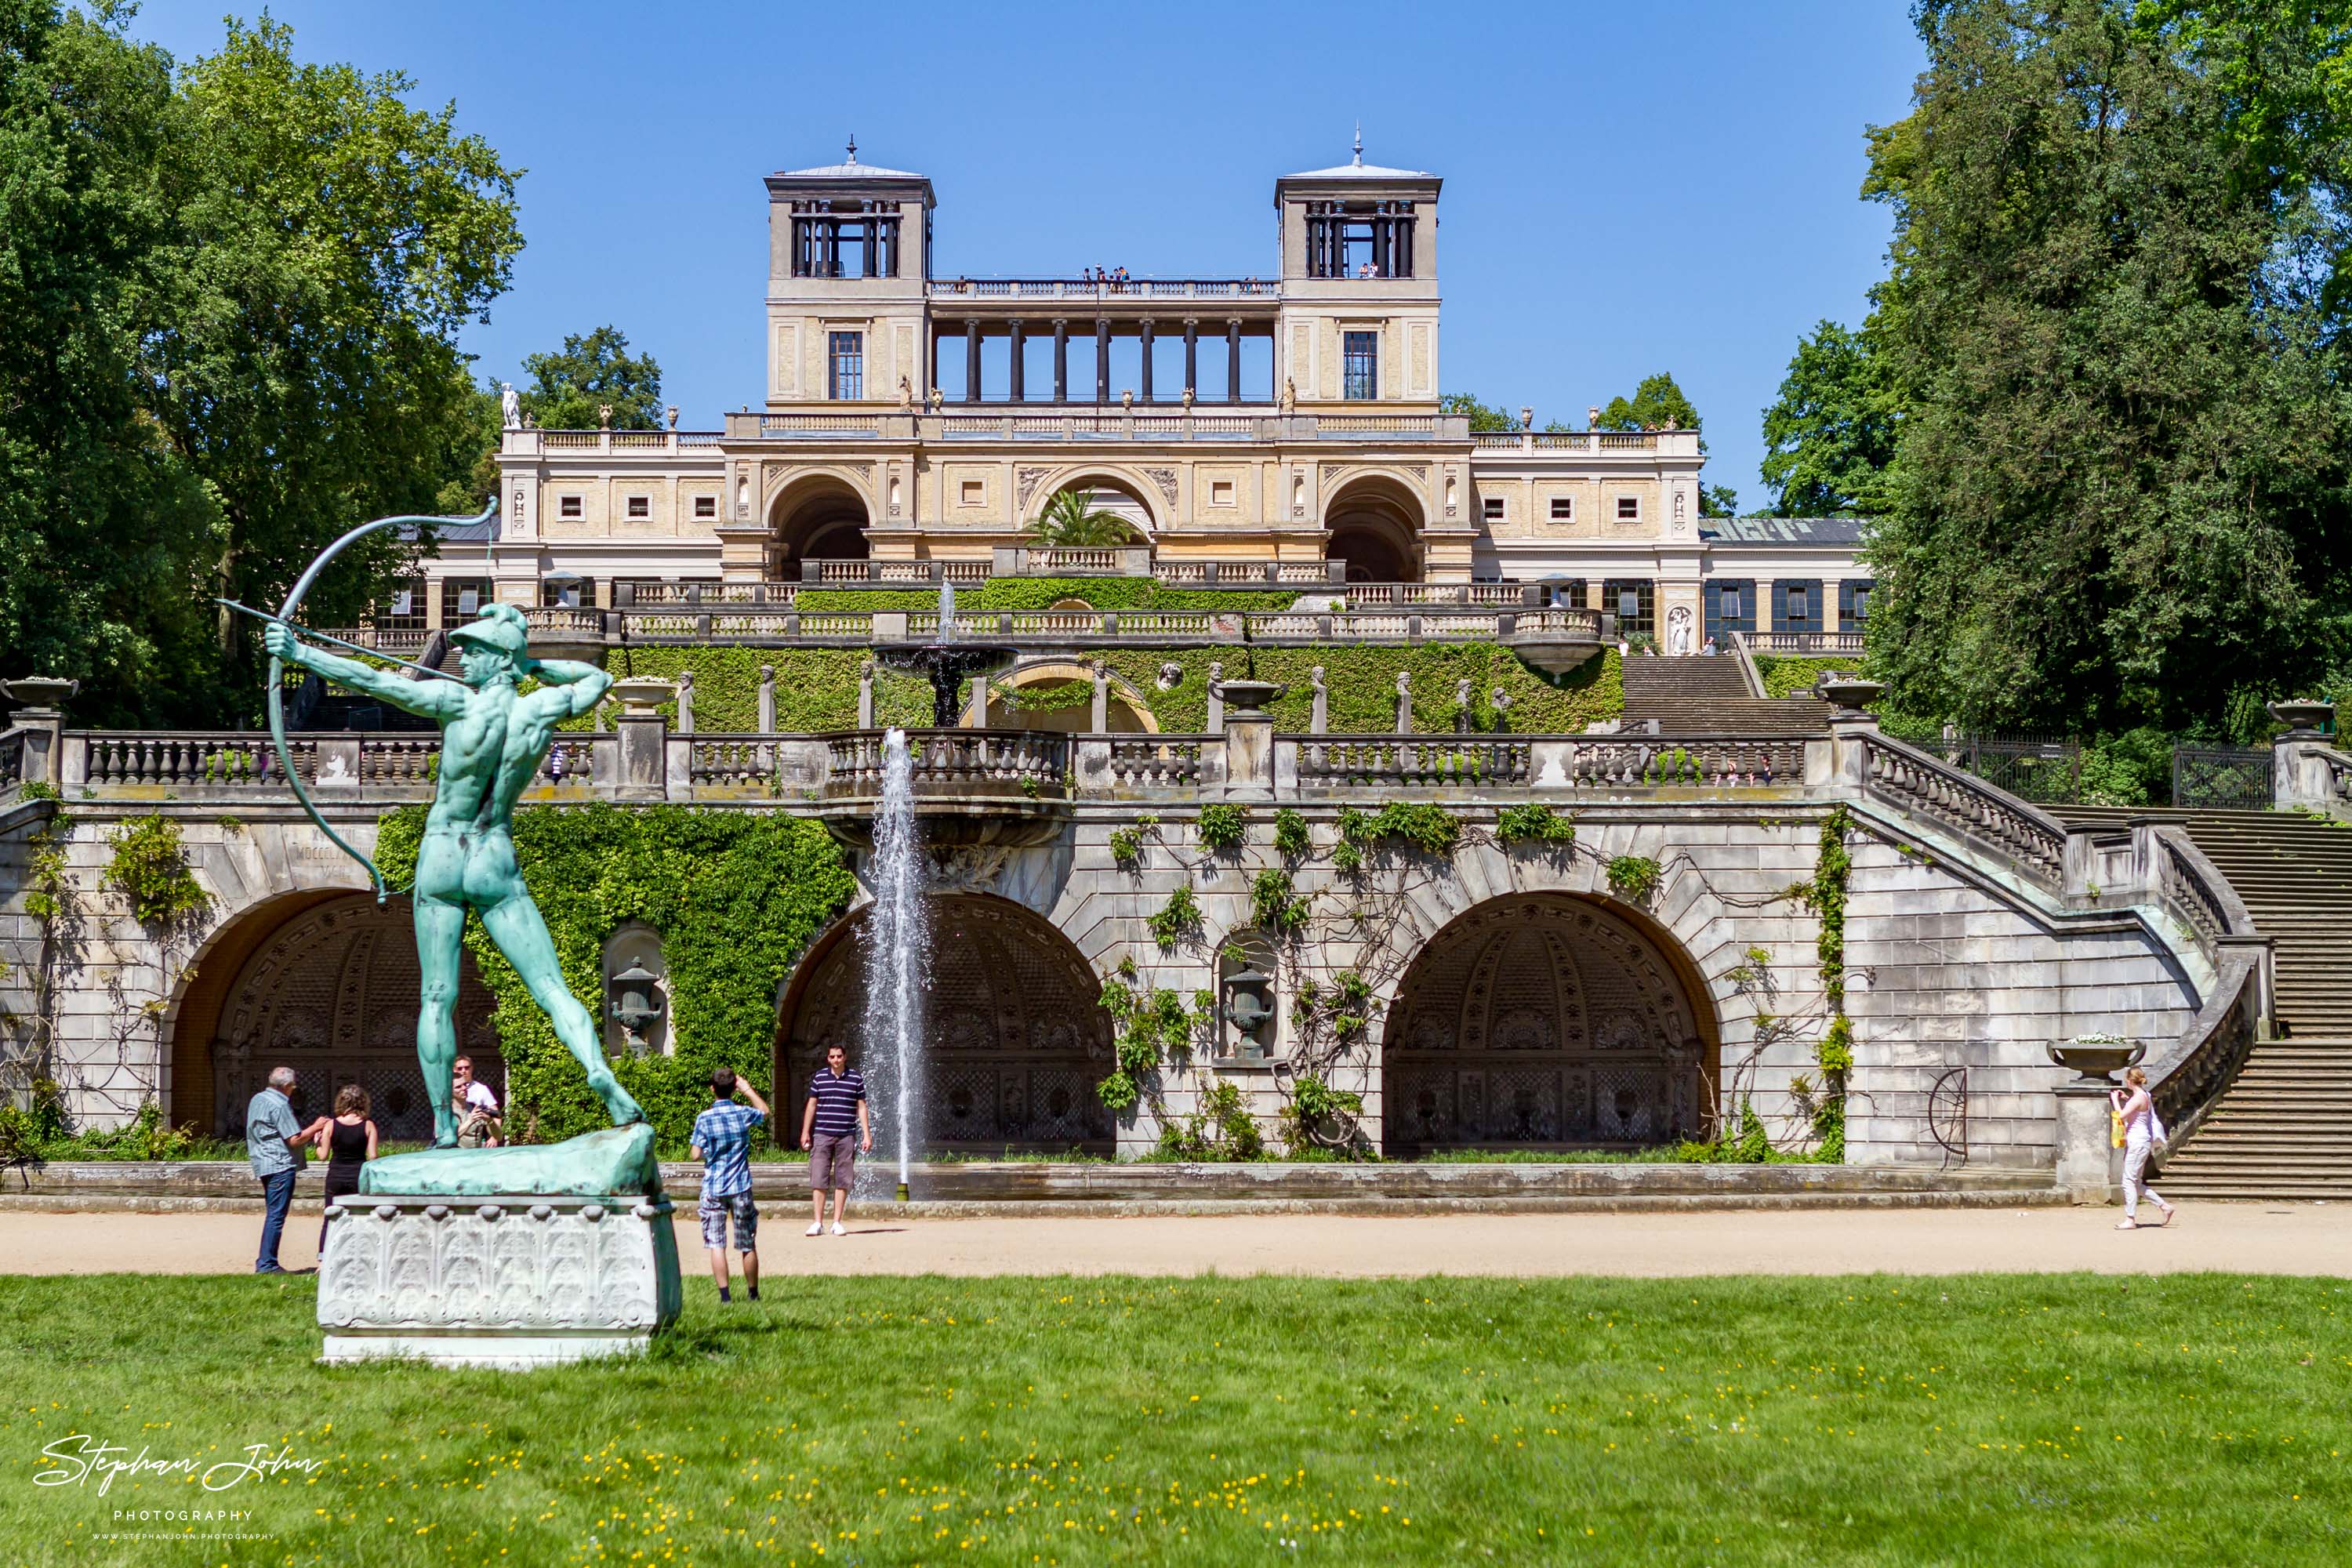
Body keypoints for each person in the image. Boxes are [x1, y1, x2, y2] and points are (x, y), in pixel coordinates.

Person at [264, 603, 638, 1149]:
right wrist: (534, 668)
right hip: (494, 854)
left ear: (497, 660)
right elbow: (598, 677)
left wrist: (300, 653)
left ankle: (442, 1122)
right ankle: (599, 1072)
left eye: (478, 651)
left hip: (444, 854)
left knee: (437, 996)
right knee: (552, 986)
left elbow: (371, 679)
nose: (465, 659)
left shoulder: (455, 704)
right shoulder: (539, 712)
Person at [691, 1067, 770, 1302]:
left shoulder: (704, 1118)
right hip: (740, 1185)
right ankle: (753, 1294)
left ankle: (725, 1297)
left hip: (714, 1187)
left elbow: (695, 1154)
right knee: (747, 1243)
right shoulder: (742, 1113)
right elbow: (764, 1111)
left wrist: (707, 1150)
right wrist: (748, 1090)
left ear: (712, 1088)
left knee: (716, 1244)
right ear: (733, 1087)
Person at [245, 1065, 326, 1275]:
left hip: (263, 1162)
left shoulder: (258, 1099)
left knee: (273, 1213)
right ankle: (267, 1264)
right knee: (276, 1215)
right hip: (280, 1164)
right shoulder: (279, 1105)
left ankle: (266, 1261)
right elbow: (295, 1139)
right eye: (293, 1086)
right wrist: (317, 1127)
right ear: (288, 1086)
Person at [800, 1044, 871, 1236]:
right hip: (822, 1133)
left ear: (845, 1057)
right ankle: (817, 1222)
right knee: (818, 1178)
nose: (836, 1060)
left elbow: (862, 1107)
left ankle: (837, 1222)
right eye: (832, 1057)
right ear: (828, 1059)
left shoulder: (855, 1078)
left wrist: (867, 1134)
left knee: (843, 1179)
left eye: (839, 1056)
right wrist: (806, 1131)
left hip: (846, 1135)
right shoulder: (820, 1077)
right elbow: (812, 1105)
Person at [314, 1084, 379, 1256]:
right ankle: (357, 1254)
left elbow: (323, 1155)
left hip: (335, 1176)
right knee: (359, 1219)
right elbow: (372, 1156)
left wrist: (317, 1143)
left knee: (329, 1218)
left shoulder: (331, 1125)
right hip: (357, 1176)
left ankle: (323, 1257)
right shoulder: (368, 1125)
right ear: (363, 1103)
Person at [2109, 1066, 2175, 1230]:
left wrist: (2116, 1101)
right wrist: (2126, 1098)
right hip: (2141, 1141)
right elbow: (2135, 1109)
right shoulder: (2143, 1095)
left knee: (2128, 1181)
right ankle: (2164, 1206)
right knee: (2135, 1182)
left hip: (2137, 1142)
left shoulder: (2138, 1097)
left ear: (2129, 1081)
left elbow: (2121, 1116)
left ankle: (2130, 1219)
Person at [452, 1056, 502, 1147]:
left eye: (465, 1085)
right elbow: (447, 1139)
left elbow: (496, 1116)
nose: (464, 1071)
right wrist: (470, 1120)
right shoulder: (447, 1111)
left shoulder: (480, 1092)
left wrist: (490, 1121)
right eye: (460, 1068)